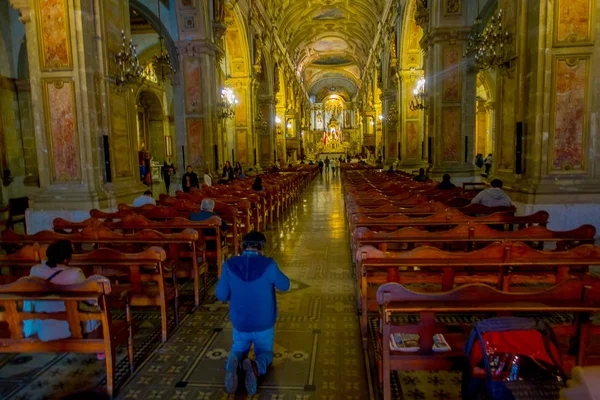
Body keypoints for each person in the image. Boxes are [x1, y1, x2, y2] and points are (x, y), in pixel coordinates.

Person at [217, 231, 290, 395]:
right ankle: (256, 366)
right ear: (262, 247)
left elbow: (221, 295)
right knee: (265, 353)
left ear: (243, 246)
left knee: (237, 348)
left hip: (240, 323)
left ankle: (233, 364)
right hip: (263, 323)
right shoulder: (268, 265)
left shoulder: (229, 265)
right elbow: (285, 285)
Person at [24, 240, 101, 342]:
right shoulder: (75, 274)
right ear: (66, 260)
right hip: (70, 329)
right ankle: (97, 346)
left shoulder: (35, 270)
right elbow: (90, 300)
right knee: (97, 306)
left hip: (43, 329)